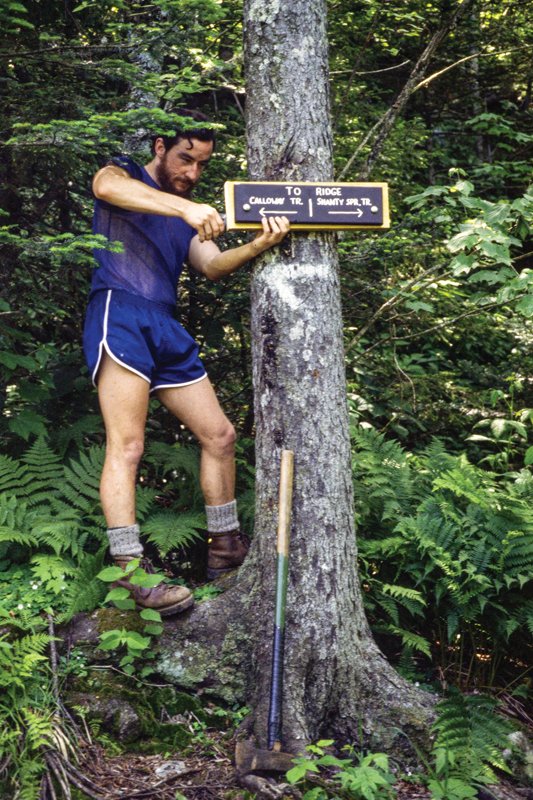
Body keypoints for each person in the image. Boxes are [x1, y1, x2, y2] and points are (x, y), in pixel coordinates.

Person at [83, 117, 290, 617]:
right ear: (160, 147)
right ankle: (132, 572)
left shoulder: (184, 211)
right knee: (128, 445)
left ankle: (225, 550)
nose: (193, 172)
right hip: (120, 311)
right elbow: (105, 185)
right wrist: (187, 207)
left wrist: (260, 244)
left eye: (202, 164)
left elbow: (211, 265)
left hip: (165, 323)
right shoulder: (126, 175)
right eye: (185, 158)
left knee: (219, 435)